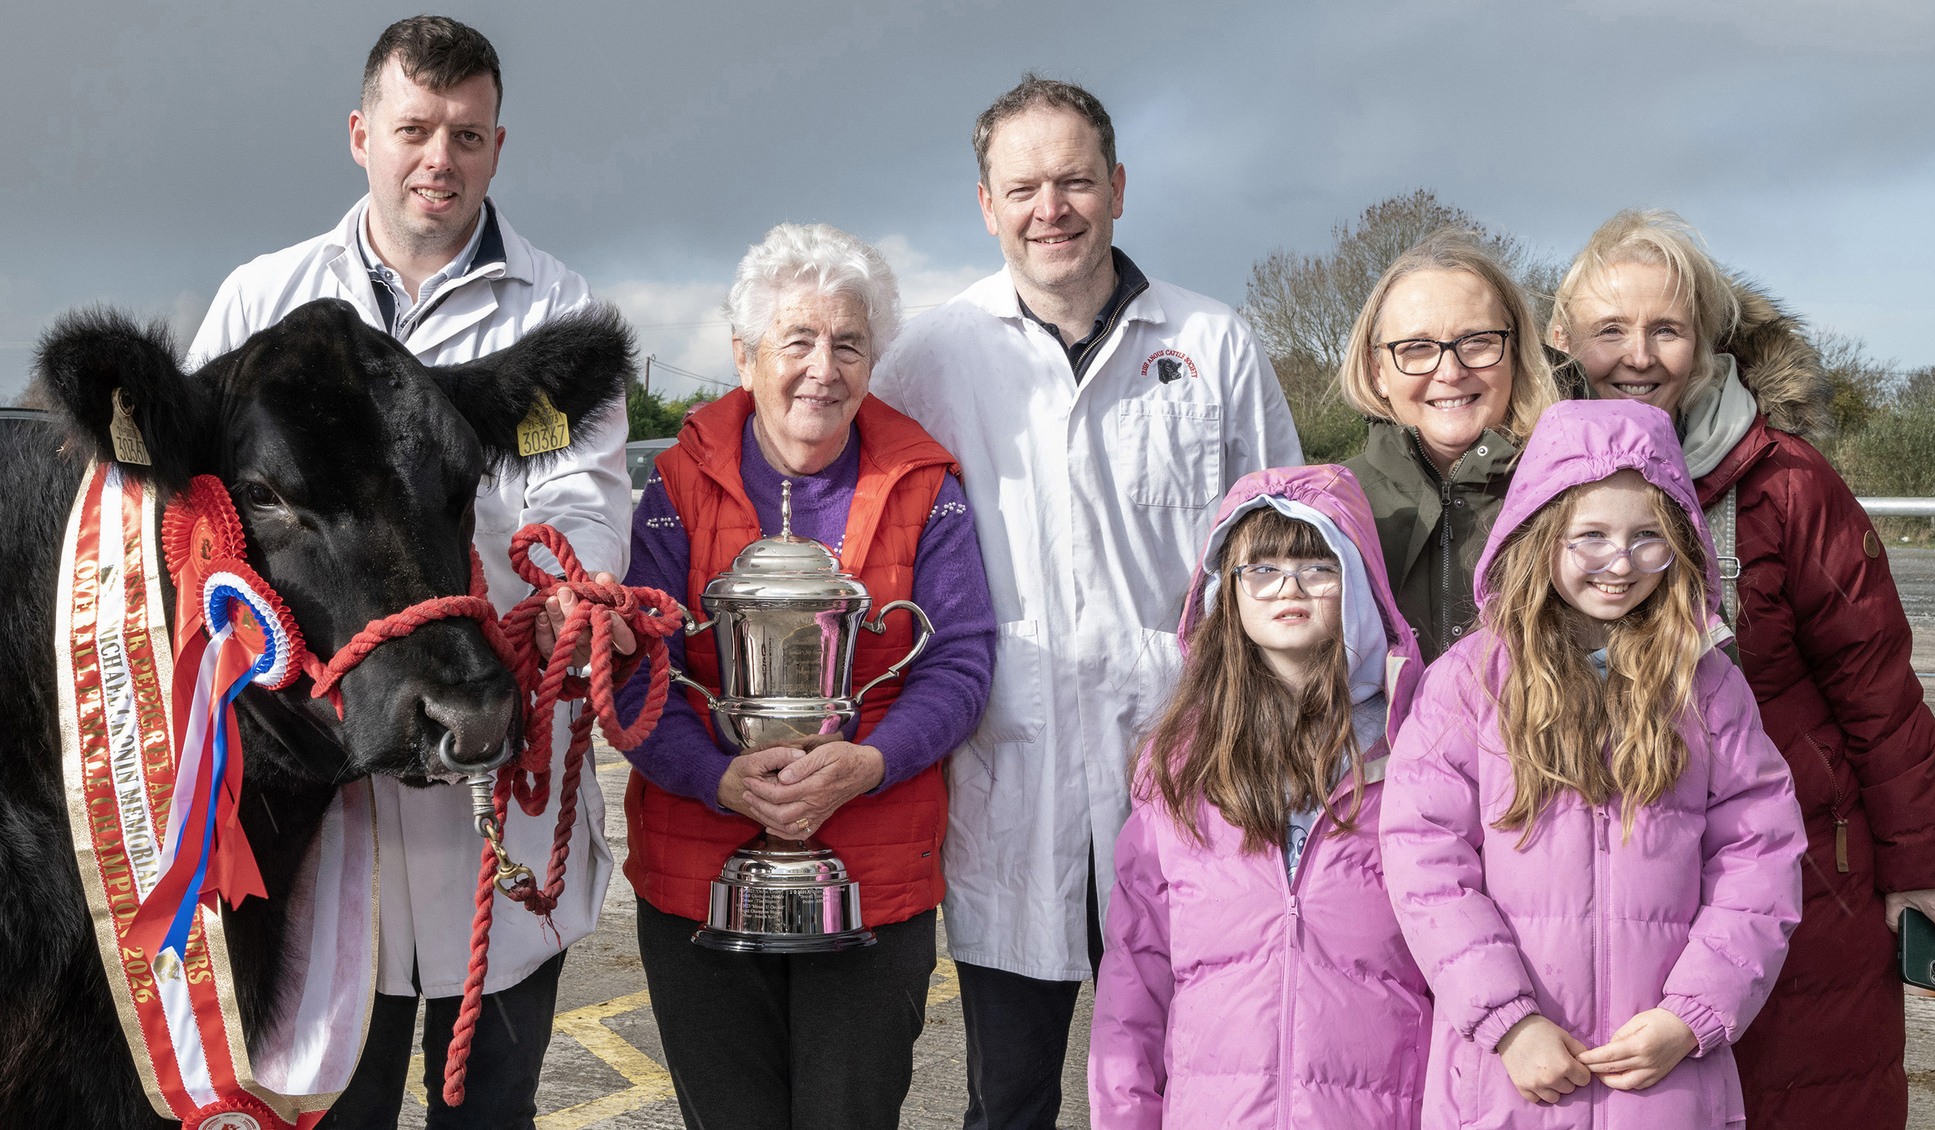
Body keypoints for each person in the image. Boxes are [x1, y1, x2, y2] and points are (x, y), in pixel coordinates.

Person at [185, 17, 631, 1127]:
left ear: (496, 145)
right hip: (323, 793)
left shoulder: (556, 308)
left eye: (468, 134)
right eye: (415, 129)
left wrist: (566, 595)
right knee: (338, 1100)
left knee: (493, 1107)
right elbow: (201, 523)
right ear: (360, 135)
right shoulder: (260, 297)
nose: (441, 156)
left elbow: (582, 499)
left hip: (496, 761)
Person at [871, 74, 1302, 1129]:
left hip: (1191, 775)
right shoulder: (927, 358)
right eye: (1022, 186)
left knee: (1188, 1086)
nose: (1049, 207)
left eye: (1073, 180)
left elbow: (1288, 548)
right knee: (1009, 1098)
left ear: (1117, 186)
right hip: (1004, 779)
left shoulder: (1212, 345)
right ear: (984, 204)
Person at [1547, 210, 1935, 1128]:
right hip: (1613, 876)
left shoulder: (1787, 484)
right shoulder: (1542, 486)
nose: (1638, 355)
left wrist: (1921, 865)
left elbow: (1879, 687)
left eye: (1666, 328)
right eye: (1610, 330)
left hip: (1801, 870)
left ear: (1705, 340)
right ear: (1565, 339)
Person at [615, 222, 997, 1129]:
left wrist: (870, 762)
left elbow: (959, 658)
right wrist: (716, 778)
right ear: (746, 357)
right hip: (697, 875)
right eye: (798, 341)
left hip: (873, 872)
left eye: (849, 343)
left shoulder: (926, 482)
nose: (823, 368)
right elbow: (635, 670)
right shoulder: (672, 484)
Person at [1380, 399, 1807, 1128]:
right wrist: (1508, 1021)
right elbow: (1425, 859)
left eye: (1648, 538)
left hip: (1665, 1078)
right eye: (1592, 537)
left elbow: (1759, 859)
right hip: (1511, 1076)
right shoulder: (1469, 682)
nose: (1620, 562)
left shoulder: (1705, 684)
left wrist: (1692, 1014)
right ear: (1540, 537)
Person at [1089, 465, 1432, 1128]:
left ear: (1357, 584)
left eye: (1317, 566)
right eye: (1262, 569)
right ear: (1227, 593)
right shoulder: (1180, 764)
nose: (1289, 589)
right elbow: (1135, 975)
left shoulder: (1419, 750)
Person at [1337, 231, 1566, 661]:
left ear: (1515, 354)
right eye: (1418, 348)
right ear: (1378, 370)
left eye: (1477, 341)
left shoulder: (1573, 496)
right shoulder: (1330, 508)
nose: (1450, 370)